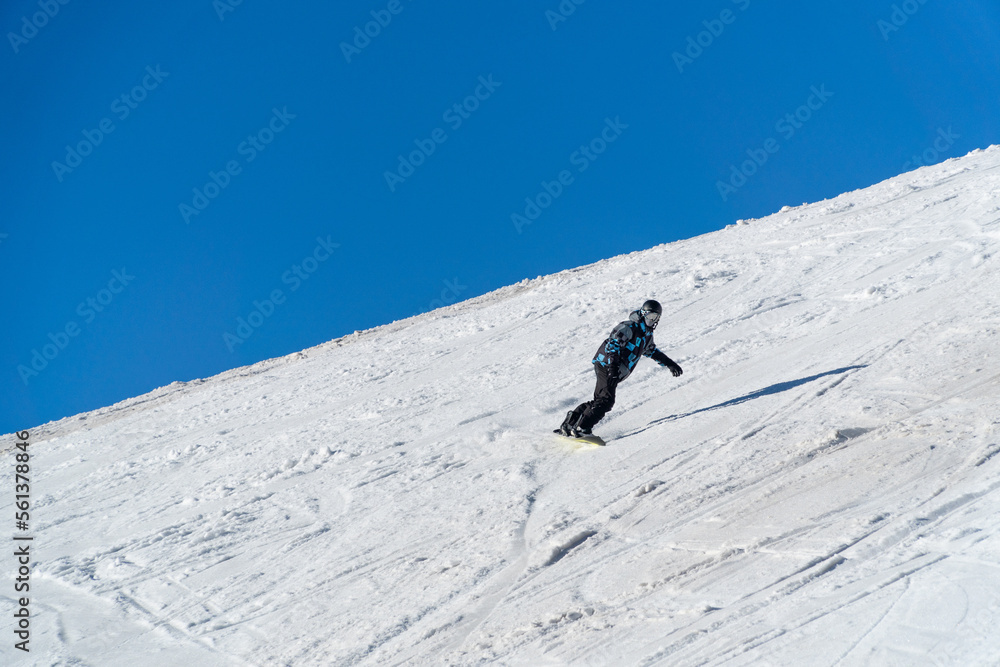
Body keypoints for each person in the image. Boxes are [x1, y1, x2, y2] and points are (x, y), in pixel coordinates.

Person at [557, 299, 683, 437]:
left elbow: (652, 351)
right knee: (606, 401)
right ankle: (583, 427)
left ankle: (570, 423)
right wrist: (613, 369)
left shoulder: (647, 335)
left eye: (656, 318)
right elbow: (613, 345)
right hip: (607, 364)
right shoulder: (629, 327)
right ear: (643, 314)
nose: (652, 321)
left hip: (614, 369)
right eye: (650, 317)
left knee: (599, 400)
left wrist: (670, 364)